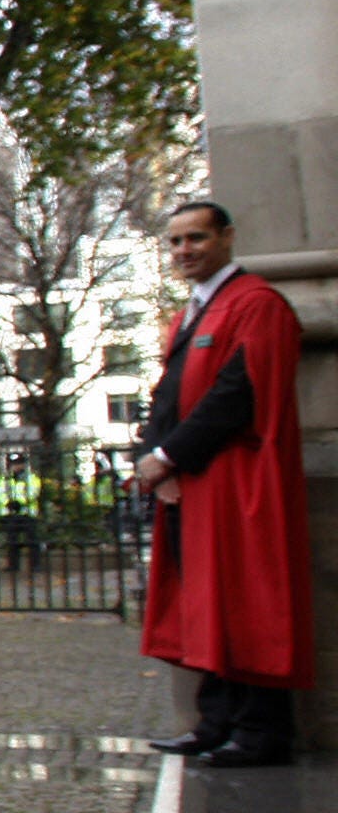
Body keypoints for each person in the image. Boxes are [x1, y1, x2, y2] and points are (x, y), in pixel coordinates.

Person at [138, 202, 312, 767]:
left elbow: (236, 396)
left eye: (196, 238)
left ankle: (260, 731)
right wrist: (155, 459)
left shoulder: (257, 305)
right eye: (175, 242)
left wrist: (165, 456)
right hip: (195, 480)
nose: (184, 250)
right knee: (204, 601)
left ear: (227, 238)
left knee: (245, 600)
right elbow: (169, 395)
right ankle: (215, 722)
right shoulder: (190, 313)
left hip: (235, 480)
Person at [0, 451, 47, 576]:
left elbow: (34, 492)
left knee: (32, 540)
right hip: (10, 513)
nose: (17, 466)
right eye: (14, 464)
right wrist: (8, 502)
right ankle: (13, 565)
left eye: (19, 463)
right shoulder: (4, 479)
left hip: (27, 513)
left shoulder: (32, 478)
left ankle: (35, 565)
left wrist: (21, 503)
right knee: (12, 540)